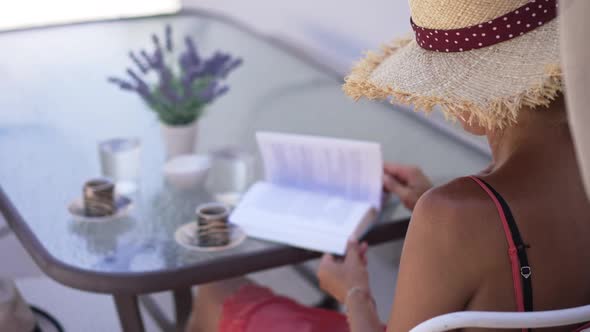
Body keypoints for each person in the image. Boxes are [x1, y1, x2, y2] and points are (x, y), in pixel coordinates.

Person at [186, 0, 590, 331]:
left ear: (466, 104)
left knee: (215, 292)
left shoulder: (451, 217)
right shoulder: (466, 215)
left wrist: (353, 294)